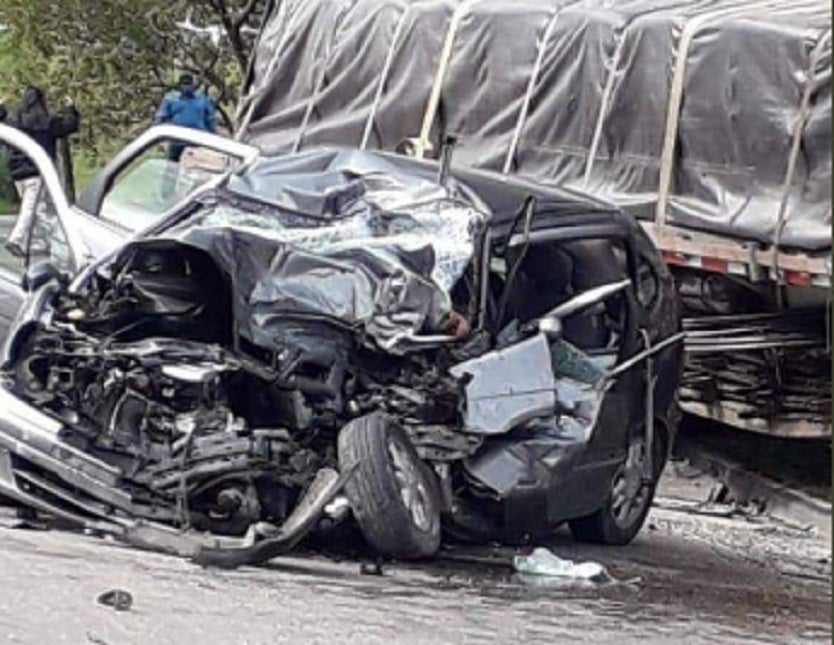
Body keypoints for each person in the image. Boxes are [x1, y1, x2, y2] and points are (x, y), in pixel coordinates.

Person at [0, 86, 80, 258]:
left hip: (17, 172)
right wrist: (71, 109)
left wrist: (1, 108)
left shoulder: (15, 121)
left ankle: (43, 241)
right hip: (38, 171)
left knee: (34, 208)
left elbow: (3, 127)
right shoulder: (48, 122)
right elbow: (69, 125)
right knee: (34, 208)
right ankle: (18, 238)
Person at [154, 74, 217, 162]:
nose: (187, 87)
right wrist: (158, 139)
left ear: (193, 85)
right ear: (179, 86)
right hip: (177, 139)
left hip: (197, 139)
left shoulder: (202, 99)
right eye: (184, 84)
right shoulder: (171, 99)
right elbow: (160, 117)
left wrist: (214, 136)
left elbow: (210, 119)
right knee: (171, 167)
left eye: (189, 84)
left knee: (195, 167)